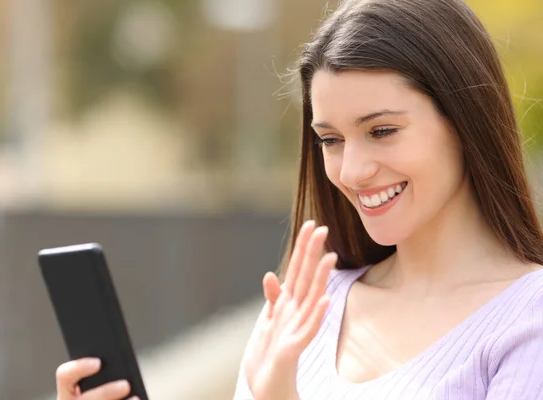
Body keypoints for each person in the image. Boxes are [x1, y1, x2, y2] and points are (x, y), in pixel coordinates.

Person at [54, 0, 543, 399]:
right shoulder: (310, 306)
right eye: (330, 140)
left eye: (382, 130)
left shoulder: (529, 320)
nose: (351, 171)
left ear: (465, 121)